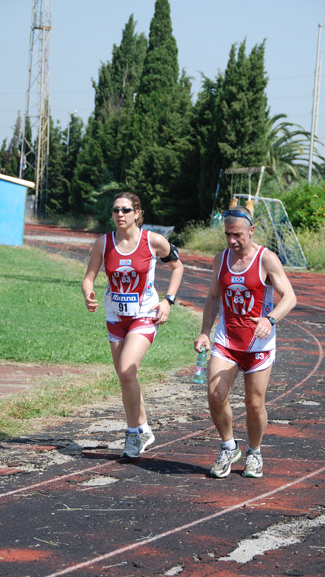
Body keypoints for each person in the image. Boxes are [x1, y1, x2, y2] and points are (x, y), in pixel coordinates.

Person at [194, 206, 296, 478]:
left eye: (237, 234)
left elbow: (290, 297)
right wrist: (205, 331)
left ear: (251, 231)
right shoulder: (220, 260)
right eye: (227, 234)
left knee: (254, 404)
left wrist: (270, 319)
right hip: (227, 340)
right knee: (215, 395)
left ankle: (254, 452)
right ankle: (229, 447)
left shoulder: (267, 259)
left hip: (258, 345)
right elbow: (213, 298)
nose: (231, 240)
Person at [82, 192, 183, 459]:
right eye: (115, 210)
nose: (120, 215)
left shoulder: (153, 241)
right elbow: (88, 277)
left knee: (127, 370)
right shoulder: (103, 243)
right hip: (115, 317)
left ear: (137, 213)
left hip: (143, 314)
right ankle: (144, 428)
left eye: (126, 210)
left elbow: (178, 268)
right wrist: (87, 294)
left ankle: (132, 433)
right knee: (126, 377)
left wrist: (168, 301)